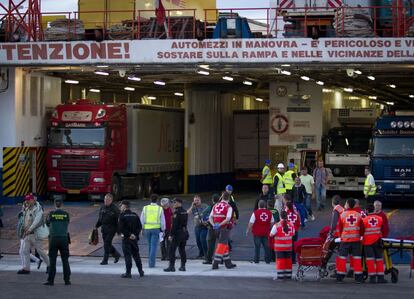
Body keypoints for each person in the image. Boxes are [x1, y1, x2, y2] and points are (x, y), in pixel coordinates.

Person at [18, 194, 50, 274]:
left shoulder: (38, 209)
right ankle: (26, 268)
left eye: (28, 200)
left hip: (35, 234)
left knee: (40, 251)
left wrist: (30, 229)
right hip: (27, 234)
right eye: (26, 200)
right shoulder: (27, 208)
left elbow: (37, 221)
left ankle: (50, 266)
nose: (27, 201)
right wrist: (23, 230)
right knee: (25, 251)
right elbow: (24, 220)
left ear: (33, 200)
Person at [336, 198, 364, 283]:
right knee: (357, 258)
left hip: (345, 240)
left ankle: (340, 277)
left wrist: (341, 237)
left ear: (347, 204)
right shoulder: (358, 215)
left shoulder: (342, 215)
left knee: (342, 258)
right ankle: (358, 277)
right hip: (356, 240)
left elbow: (340, 228)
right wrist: (360, 236)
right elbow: (362, 228)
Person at [43, 198, 71, 286]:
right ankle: (67, 280)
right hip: (64, 239)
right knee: (65, 260)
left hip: (53, 239)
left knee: (52, 260)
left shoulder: (51, 214)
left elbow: (47, 223)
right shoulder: (66, 214)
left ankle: (51, 281)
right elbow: (67, 223)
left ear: (54, 204)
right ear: (62, 205)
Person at [209, 192, 236, 270]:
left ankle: (228, 263)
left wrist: (214, 224)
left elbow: (210, 217)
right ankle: (215, 263)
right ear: (229, 198)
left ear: (221, 197)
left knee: (225, 245)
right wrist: (220, 225)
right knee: (221, 245)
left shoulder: (215, 205)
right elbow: (227, 219)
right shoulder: (229, 207)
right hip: (224, 229)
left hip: (215, 229)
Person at [362, 204, 388, 284]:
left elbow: (361, 232)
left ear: (366, 211)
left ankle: (372, 278)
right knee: (379, 259)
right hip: (377, 241)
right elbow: (384, 229)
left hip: (367, 242)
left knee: (370, 260)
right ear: (374, 210)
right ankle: (381, 277)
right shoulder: (380, 218)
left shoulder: (364, 220)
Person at [119, 200, 144, 278]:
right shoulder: (135, 215)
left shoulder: (122, 216)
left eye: (121, 206)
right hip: (134, 239)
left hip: (126, 239)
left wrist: (129, 234)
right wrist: (134, 235)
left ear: (125, 206)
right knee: (136, 255)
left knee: (127, 256)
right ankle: (140, 271)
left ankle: (128, 273)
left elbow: (121, 228)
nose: (120, 207)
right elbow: (139, 226)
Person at [95, 193, 121, 265]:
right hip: (104, 228)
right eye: (105, 199)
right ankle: (116, 254)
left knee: (106, 244)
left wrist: (119, 231)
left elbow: (118, 221)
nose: (106, 201)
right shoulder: (102, 207)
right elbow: (100, 219)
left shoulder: (115, 209)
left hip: (112, 229)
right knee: (107, 244)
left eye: (108, 200)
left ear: (111, 200)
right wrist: (96, 226)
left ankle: (105, 260)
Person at [164, 198, 189, 272]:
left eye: (174, 202)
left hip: (177, 234)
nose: (173, 204)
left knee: (172, 250)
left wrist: (170, 235)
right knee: (182, 250)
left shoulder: (176, 213)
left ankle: (171, 267)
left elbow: (174, 225)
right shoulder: (185, 212)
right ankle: (183, 266)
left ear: (179, 203)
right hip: (184, 233)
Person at [270, 210, 296, 280]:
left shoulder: (277, 225)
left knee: (280, 261)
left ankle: (280, 276)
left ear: (280, 216)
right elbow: (293, 234)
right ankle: (288, 275)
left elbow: (271, 234)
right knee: (288, 261)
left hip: (279, 247)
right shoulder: (291, 224)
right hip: (288, 247)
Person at [141, 194, 165, 268]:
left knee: (150, 246)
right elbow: (162, 221)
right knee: (153, 247)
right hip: (156, 229)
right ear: (157, 200)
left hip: (147, 229)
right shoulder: (160, 209)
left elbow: (142, 219)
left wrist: (142, 228)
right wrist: (163, 230)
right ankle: (151, 264)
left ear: (150, 200)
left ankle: (150, 262)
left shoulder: (145, 208)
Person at [17, 202, 41, 270]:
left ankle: (24, 266)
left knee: (22, 251)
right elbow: (19, 225)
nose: (23, 207)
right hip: (22, 235)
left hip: (25, 235)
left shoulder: (29, 214)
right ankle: (37, 260)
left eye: (24, 206)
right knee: (23, 251)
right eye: (23, 206)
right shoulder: (21, 214)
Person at [187, 195, 208, 259]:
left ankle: (206, 254)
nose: (196, 201)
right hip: (197, 226)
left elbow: (208, 213)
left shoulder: (205, 206)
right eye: (195, 200)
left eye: (197, 200)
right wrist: (192, 206)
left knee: (203, 239)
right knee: (198, 241)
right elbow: (187, 213)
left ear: (200, 200)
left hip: (204, 226)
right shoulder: (193, 207)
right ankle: (201, 253)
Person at [203, 194, 220, 265]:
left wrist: (207, 222)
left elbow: (204, 213)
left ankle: (209, 259)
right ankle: (221, 259)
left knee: (211, 243)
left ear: (212, 200)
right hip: (221, 226)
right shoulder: (222, 206)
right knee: (221, 243)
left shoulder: (211, 207)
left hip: (212, 227)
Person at [284, 199, 300, 263]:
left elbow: (283, 223)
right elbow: (299, 223)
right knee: (293, 245)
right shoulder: (296, 214)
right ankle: (293, 260)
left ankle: (287, 259)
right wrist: (296, 229)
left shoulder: (286, 214)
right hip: (294, 231)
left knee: (287, 245)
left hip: (287, 231)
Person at [225, 185, 239, 251]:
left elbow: (235, 207)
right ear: (226, 190)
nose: (229, 191)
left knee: (229, 228)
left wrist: (236, 217)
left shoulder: (231, 197)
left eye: (230, 190)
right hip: (225, 215)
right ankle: (228, 240)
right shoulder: (223, 197)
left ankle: (228, 239)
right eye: (228, 190)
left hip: (230, 215)